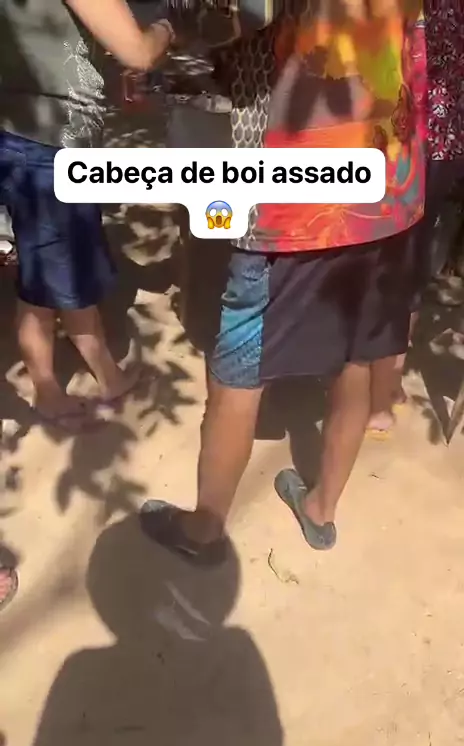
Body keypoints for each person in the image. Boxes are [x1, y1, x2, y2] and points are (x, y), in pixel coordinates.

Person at [140, 0, 426, 558]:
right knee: (355, 359)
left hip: (298, 202)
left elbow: (232, 17)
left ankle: (203, 531)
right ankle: (322, 510)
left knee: (237, 373)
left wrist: (167, 25)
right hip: (390, 186)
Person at [0, 0, 175, 429]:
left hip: (27, 131)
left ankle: (108, 376)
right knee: (41, 286)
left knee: (65, 269)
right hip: (48, 143)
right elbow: (138, 51)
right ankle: (47, 394)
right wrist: (170, 26)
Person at [368, 0, 464, 436]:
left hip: (399, 141)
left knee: (386, 261)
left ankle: (378, 390)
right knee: (406, 264)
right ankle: (385, 387)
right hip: (436, 142)